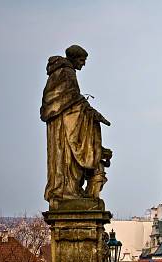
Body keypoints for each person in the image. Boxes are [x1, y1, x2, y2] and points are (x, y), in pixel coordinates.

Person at [41, 45, 112, 205]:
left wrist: (87, 109)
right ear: (74, 58)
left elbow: (71, 98)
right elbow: (70, 98)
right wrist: (91, 112)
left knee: (66, 160)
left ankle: (70, 189)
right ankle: (66, 190)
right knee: (65, 158)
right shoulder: (66, 72)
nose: (84, 64)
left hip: (64, 121)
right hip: (63, 125)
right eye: (82, 60)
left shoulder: (61, 71)